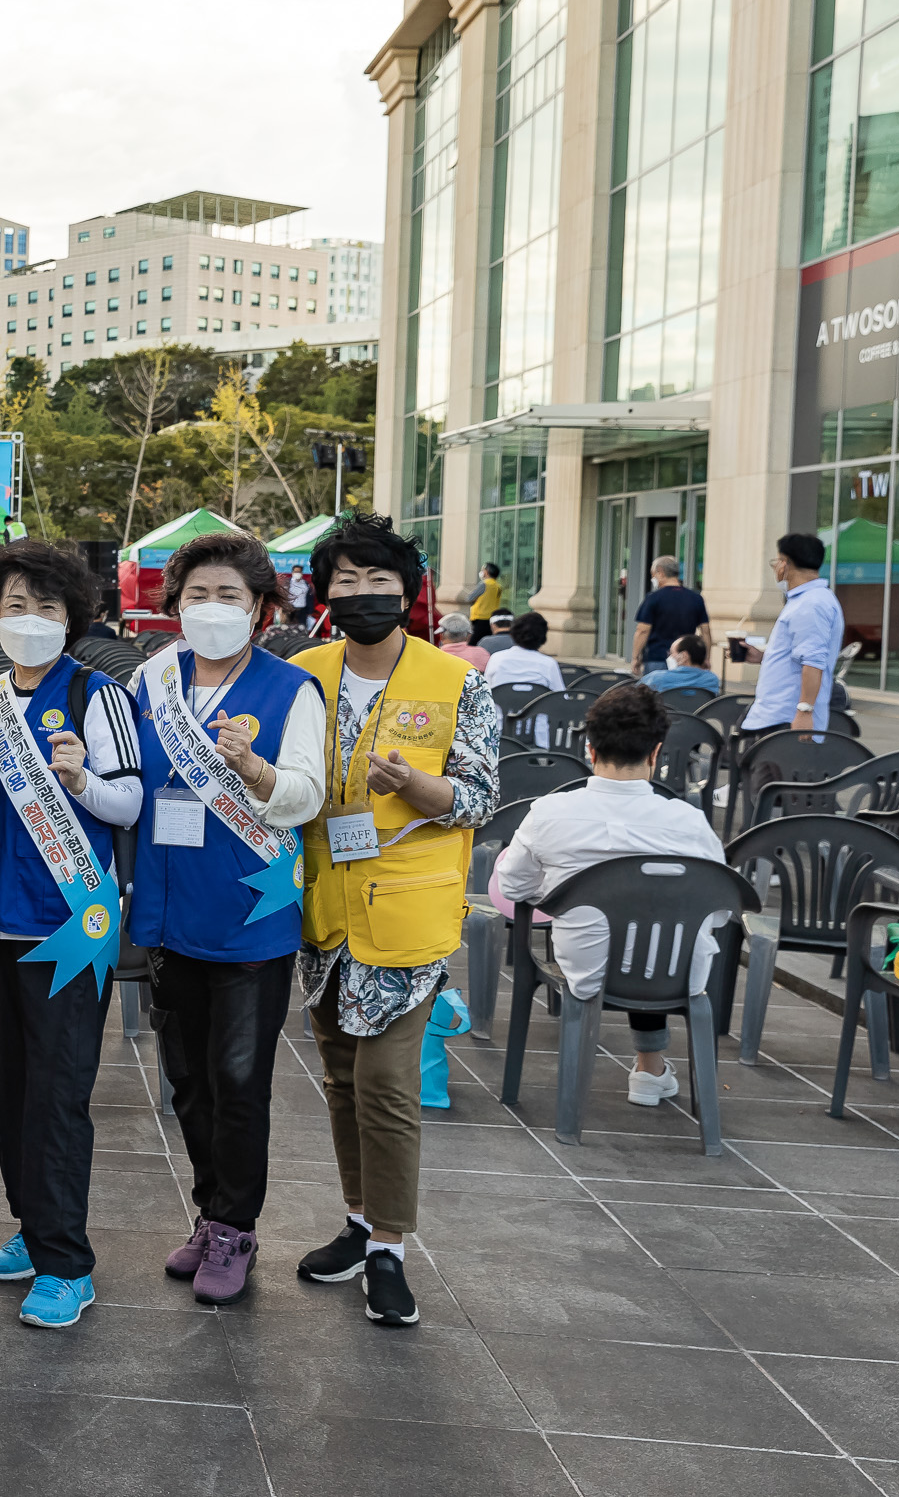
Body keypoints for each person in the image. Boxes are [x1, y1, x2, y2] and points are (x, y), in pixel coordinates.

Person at [291, 512, 498, 1330]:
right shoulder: (302, 674)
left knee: (385, 1083)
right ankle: (354, 1218)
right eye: (347, 581)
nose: (364, 594)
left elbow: (480, 795)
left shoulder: (457, 681)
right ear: (325, 592)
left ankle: (390, 1246)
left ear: (409, 592)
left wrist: (415, 782)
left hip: (408, 916)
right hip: (324, 911)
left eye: (380, 581)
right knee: (340, 1079)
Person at [129, 532, 325, 1308]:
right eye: (198, 595)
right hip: (171, 913)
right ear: (174, 605)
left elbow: (307, 794)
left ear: (261, 609)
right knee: (186, 1080)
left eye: (231, 596)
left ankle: (237, 1225)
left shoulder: (289, 689)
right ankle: (211, 1212)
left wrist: (254, 769)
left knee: (239, 1081)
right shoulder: (152, 678)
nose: (213, 609)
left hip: (250, 917)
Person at [0, 540, 142, 1331]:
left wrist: (81, 781)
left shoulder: (98, 694)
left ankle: (68, 1261)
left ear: (73, 616)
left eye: (47, 606)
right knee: (8, 1084)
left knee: (60, 1093)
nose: (29, 619)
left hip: (72, 923)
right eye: (14, 606)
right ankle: (34, 1228)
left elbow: (130, 804)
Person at [492, 683, 727, 1109]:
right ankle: (650, 1070)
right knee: (654, 938)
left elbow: (512, 888)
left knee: (613, 934)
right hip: (676, 975)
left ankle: (644, 1073)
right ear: (656, 753)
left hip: (585, 970)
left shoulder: (550, 813)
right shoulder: (689, 823)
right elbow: (721, 909)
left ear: (589, 749)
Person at [740, 533, 844, 734]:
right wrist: (764, 657)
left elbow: (813, 661)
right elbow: (800, 654)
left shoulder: (811, 604)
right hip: (777, 715)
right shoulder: (805, 600)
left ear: (785, 564)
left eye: (777, 560)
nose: (775, 567)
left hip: (786, 719)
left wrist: (804, 712)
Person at [630, 555, 711, 677]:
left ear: (660, 572)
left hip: (657, 658)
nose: (653, 578)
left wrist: (635, 657)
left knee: (655, 694)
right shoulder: (696, 598)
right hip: (686, 660)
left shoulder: (653, 598)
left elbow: (642, 630)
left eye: (653, 574)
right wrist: (705, 658)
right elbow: (706, 632)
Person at [484, 611, 565, 691]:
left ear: (513, 633)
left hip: (501, 703)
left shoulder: (496, 658)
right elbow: (560, 696)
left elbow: (485, 692)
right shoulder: (549, 663)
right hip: (538, 704)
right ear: (543, 637)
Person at [644, 633, 721, 695]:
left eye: (671, 653)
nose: (669, 657)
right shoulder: (712, 680)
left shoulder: (656, 678)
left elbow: (634, 696)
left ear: (684, 656)